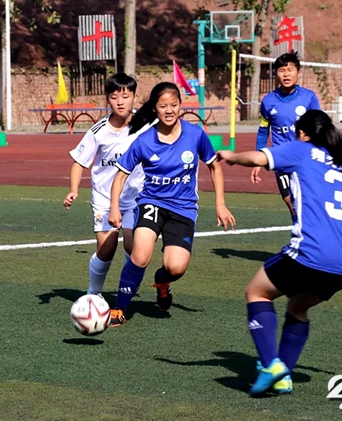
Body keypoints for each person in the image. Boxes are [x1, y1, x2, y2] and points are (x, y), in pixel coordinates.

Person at [216, 109, 342, 396]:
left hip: (310, 253)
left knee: (257, 292)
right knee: (297, 308)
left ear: (303, 133)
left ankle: (271, 365)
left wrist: (231, 156)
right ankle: (284, 377)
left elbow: (259, 158)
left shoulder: (302, 150)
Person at [107, 82, 236, 327]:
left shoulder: (195, 135)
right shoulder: (144, 140)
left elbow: (214, 166)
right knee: (140, 255)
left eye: (174, 105)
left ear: (180, 106)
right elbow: (121, 175)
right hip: (152, 203)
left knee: (175, 267)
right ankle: (119, 308)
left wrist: (220, 204)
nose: (169, 110)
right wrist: (114, 207)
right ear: (154, 109)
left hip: (183, 209)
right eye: (163, 106)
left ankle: (162, 282)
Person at [63, 73, 152, 296]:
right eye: (114, 97)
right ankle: (93, 293)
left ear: (134, 97)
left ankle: (126, 288)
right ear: (107, 99)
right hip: (104, 198)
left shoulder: (146, 124)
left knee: (133, 246)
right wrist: (74, 190)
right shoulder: (98, 130)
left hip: (135, 197)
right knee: (106, 249)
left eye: (125, 96)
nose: (120, 102)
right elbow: (78, 162)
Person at [253, 51, 320, 218]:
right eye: (282, 70)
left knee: (310, 203)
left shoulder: (309, 97)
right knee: (292, 204)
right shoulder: (268, 101)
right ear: (276, 74)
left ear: (298, 72)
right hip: (282, 159)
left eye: (290, 70)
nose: (286, 74)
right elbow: (263, 131)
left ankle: (311, 232)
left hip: (305, 157)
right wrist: (258, 160)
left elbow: (319, 127)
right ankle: (299, 231)